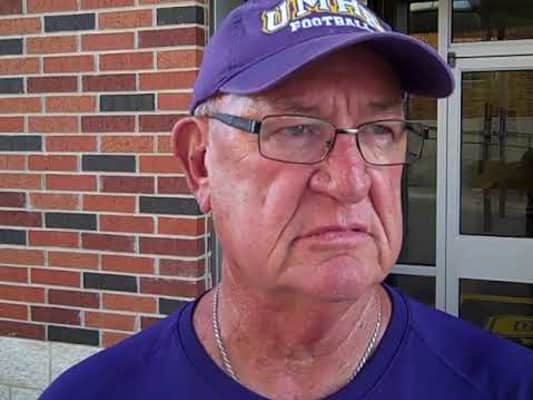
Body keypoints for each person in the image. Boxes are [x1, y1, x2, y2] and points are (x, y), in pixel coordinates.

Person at [41, 0, 533, 399]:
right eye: (296, 129)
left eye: (381, 130)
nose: (352, 181)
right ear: (200, 163)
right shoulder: (94, 393)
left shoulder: (507, 385)